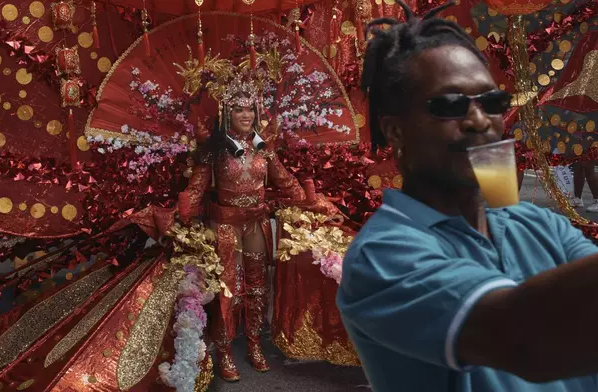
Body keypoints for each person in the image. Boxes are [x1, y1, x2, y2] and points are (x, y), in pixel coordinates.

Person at [336, 1, 598, 391]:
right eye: (450, 106)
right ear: (394, 132)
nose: (478, 121)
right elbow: (526, 341)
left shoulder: (541, 225)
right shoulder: (382, 256)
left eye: (491, 103)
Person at [181, 73, 337, 382]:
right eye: (239, 109)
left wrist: (311, 202)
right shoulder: (214, 150)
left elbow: (286, 181)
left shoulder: (264, 149)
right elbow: (196, 188)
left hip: (256, 224)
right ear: (227, 114)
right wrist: (182, 214)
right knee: (229, 291)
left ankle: (254, 345)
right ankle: (224, 350)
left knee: (257, 287)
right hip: (225, 227)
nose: (246, 115)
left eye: (250, 109)